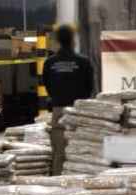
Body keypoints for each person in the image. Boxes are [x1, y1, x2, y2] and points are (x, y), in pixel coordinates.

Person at [43, 24, 94, 176]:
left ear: (57, 40)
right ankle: (80, 178)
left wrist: (58, 97)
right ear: (73, 40)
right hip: (79, 110)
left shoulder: (49, 63)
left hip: (58, 110)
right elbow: (89, 87)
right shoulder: (83, 62)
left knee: (59, 151)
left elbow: (47, 85)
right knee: (81, 149)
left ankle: (57, 181)